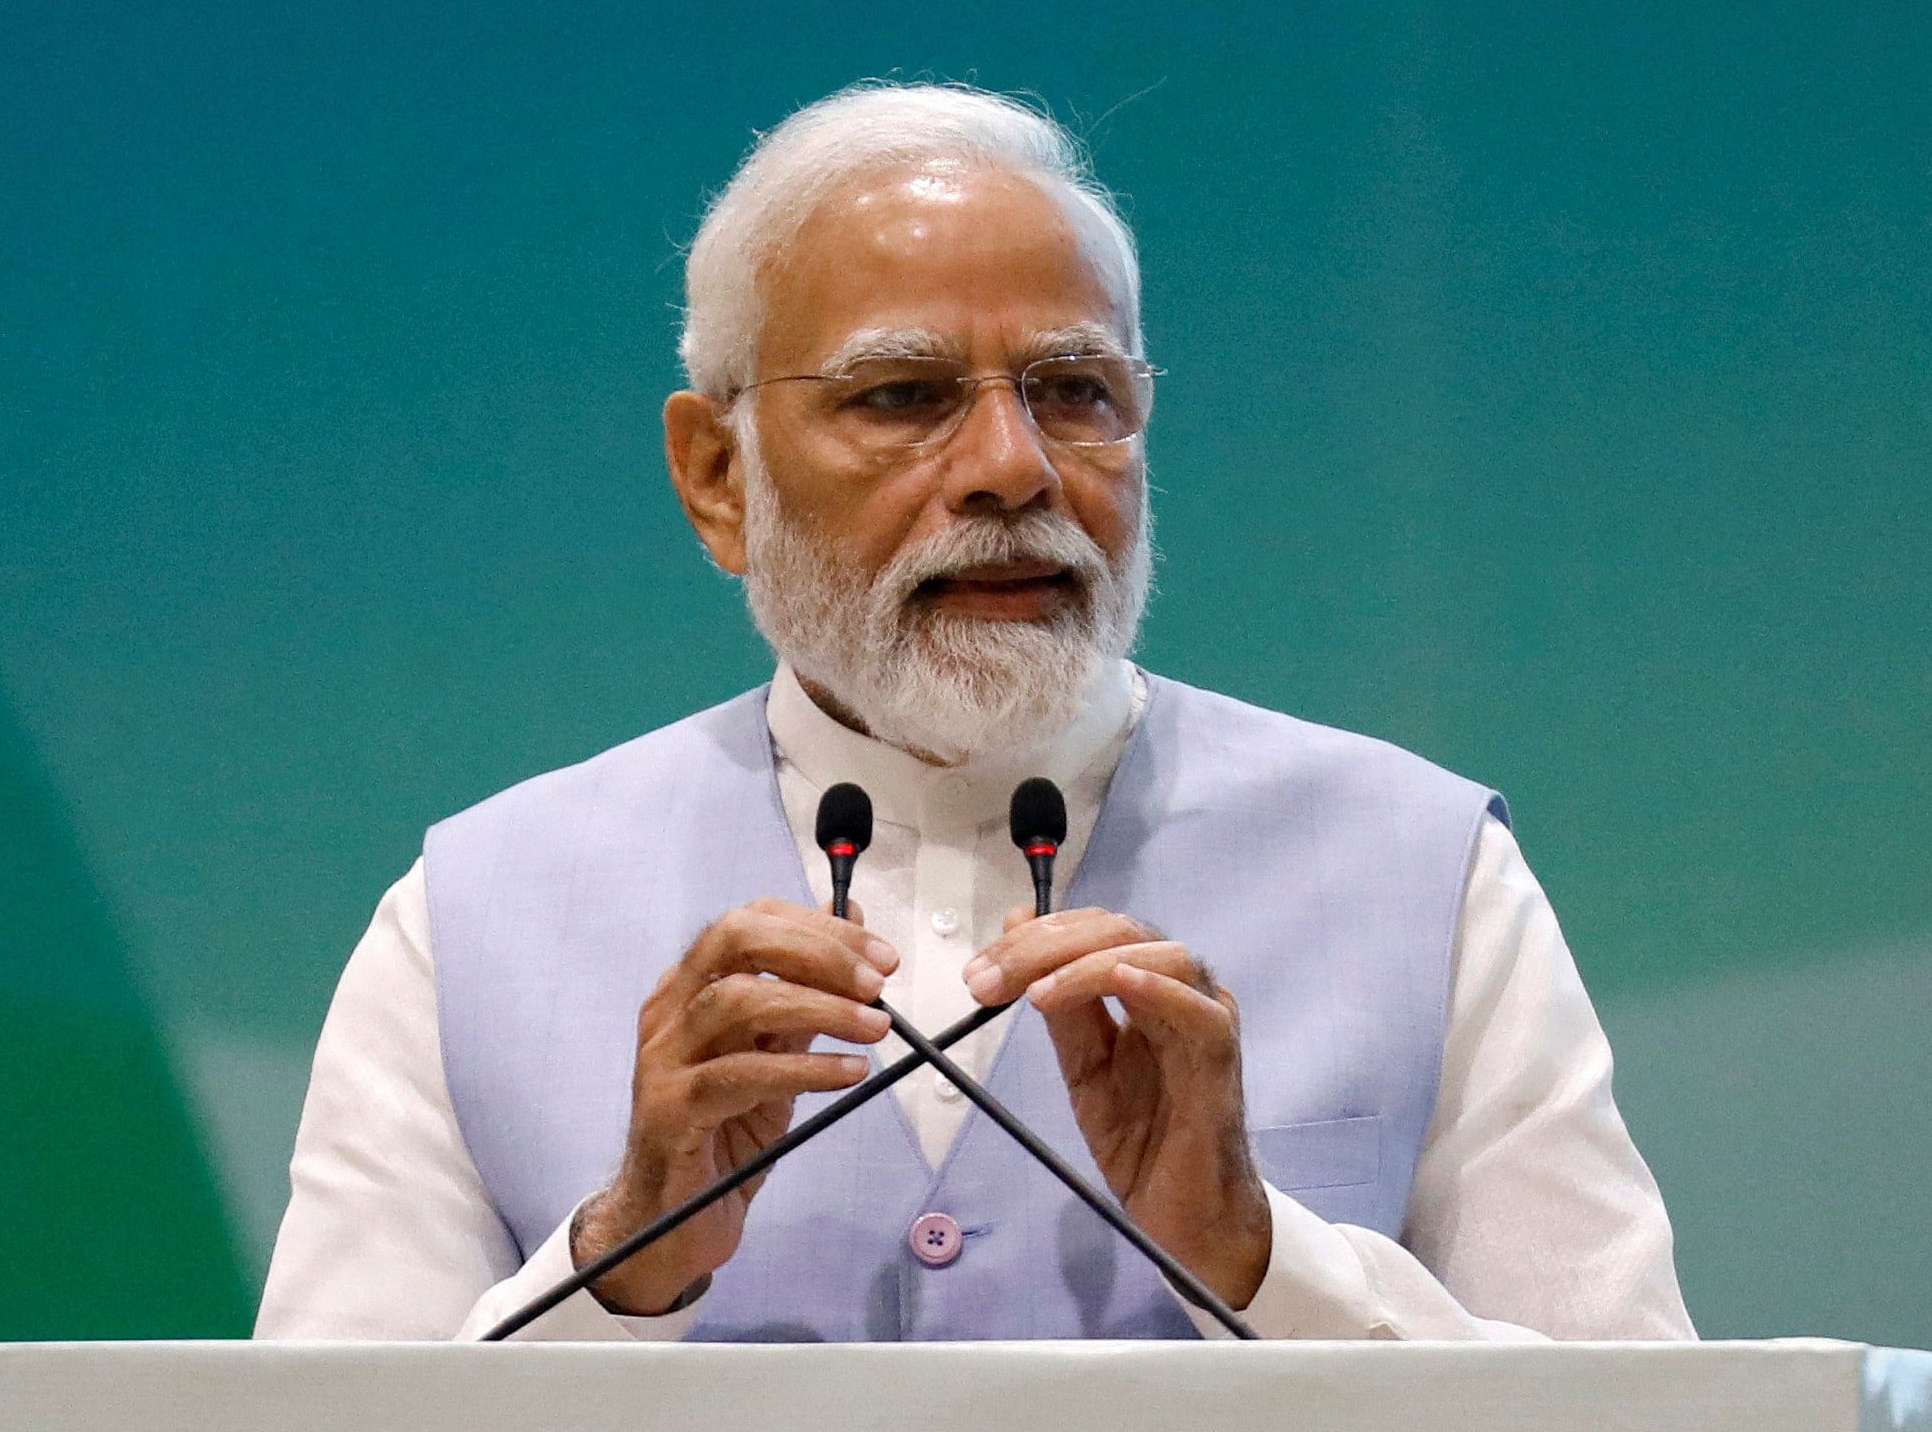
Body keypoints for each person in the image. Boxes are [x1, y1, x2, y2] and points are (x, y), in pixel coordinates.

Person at [255, 82, 1693, 1344]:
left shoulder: (1425, 873)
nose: (1015, 467)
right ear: (715, 476)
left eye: (1077, 390)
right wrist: (623, 1256)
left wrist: (1266, 1259)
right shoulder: (472, 915)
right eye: (903, 395)